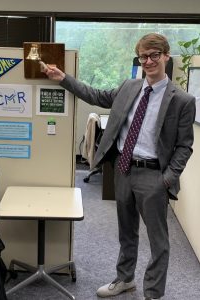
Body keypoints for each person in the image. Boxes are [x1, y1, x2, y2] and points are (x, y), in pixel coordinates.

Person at [43, 33, 196, 300]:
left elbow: (184, 146)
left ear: (166, 56)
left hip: (154, 176)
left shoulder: (182, 100)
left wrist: (168, 178)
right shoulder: (130, 86)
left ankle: (153, 294)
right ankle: (125, 279)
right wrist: (64, 79)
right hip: (124, 168)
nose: (148, 61)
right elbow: (97, 95)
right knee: (127, 232)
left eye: (154, 55)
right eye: (143, 57)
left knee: (159, 241)